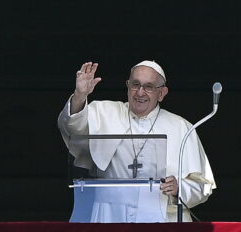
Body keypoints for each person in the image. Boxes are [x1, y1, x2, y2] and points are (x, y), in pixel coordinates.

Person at [58, 61, 215, 222]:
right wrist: (80, 95)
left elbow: (202, 186)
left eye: (149, 86)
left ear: (161, 93)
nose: (140, 92)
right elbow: (72, 128)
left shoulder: (181, 127)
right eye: (135, 84)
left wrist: (179, 188)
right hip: (110, 217)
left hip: (162, 221)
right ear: (127, 86)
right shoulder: (104, 112)